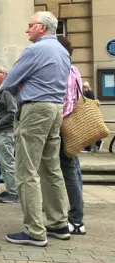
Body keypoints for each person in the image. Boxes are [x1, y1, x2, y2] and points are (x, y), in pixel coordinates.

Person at [2, 11, 71, 246]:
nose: (27, 30)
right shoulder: (62, 51)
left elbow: (9, 80)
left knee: (26, 170)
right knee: (51, 168)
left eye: (30, 25)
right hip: (55, 109)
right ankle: (59, 223)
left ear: (42, 27)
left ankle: (34, 231)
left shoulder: (35, 50)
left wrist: (20, 83)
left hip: (35, 109)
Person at [57, 36, 86, 235]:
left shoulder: (62, 70)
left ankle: (76, 220)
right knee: (74, 169)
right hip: (75, 127)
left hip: (63, 126)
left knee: (68, 171)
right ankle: (77, 216)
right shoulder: (74, 69)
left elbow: (65, 104)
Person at [0, 65, 19, 203]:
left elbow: (13, 112)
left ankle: (14, 192)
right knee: (2, 163)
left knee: (7, 162)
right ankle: (9, 189)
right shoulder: (0, 92)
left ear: (4, 74)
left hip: (5, 132)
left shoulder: (6, 91)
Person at [82, 82, 102, 151]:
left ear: (87, 87)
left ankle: (97, 142)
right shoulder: (90, 93)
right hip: (91, 114)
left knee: (89, 131)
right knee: (89, 131)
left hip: (89, 114)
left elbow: (87, 104)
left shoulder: (88, 94)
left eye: (84, 87)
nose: (83, 88)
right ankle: (89, 146)